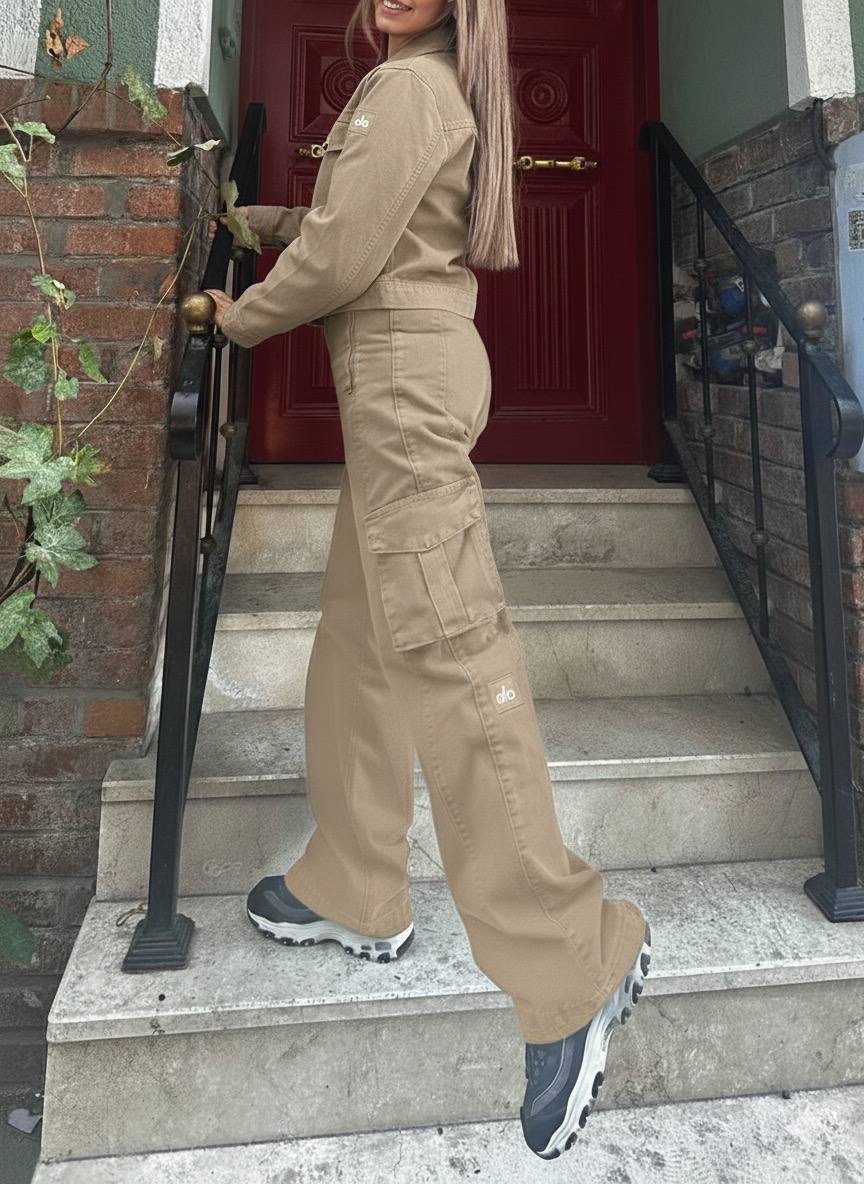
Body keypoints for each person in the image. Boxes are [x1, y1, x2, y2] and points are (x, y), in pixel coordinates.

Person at [206, 0, 651, 1161]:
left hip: (403, 387)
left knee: (451, 653)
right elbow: (354, 221)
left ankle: (573, 953)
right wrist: (252, 220)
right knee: (361, 643)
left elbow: (342, 257)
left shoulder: (410, 87)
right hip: (405, 377)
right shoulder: (420, 87)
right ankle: (354, 880)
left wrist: (239, 318)